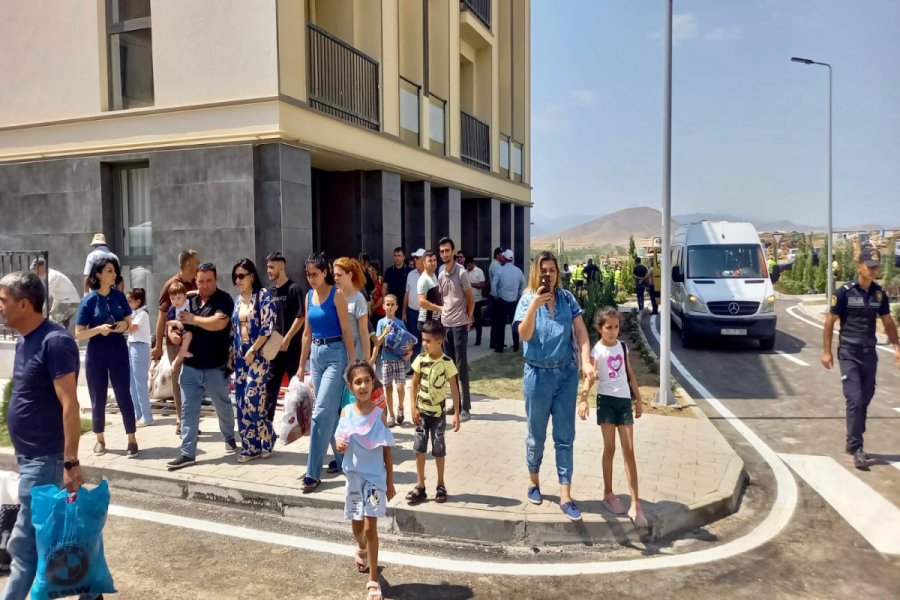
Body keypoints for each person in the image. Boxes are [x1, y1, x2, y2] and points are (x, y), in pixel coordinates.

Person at [0, 272, 98, 600]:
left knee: (24, 548)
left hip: (47, 459)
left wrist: (70, 461)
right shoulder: (23, 340)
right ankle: (91, 592)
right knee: (53, 537)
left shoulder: (54, 342)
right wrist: (21, 455)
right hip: (32, 458)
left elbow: (70, 404)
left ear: (24, 304)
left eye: (3, 300)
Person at [513, 250, 593, 522]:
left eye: (552, 270)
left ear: (558, 273)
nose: (548, 274)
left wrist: (585, 361)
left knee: (565, 436)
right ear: (537, 273)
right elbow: (524, 334)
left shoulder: (567, 298)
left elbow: (581, 332)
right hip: (537, 375)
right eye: (543, 270)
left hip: (565, 376)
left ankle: (565, 495)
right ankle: (533, 481)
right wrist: (535, 306)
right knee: (536, 435)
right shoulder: (527, 300)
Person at [822, 244, 900, 470]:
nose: (873, 270)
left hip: (869, 354)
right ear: (859, 266)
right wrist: (827, 351)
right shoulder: (844, 293)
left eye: (876, 267)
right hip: (849, 353)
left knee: (866, 397)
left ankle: (853, 436)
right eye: (870, 266)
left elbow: (887, 322)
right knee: (855, 399)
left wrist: (896, 346)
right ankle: (857, 447)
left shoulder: (879, 294)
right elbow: (829, 322)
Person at [578, 308, 648, 527]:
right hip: (606, 402)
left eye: (616, 327)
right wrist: (584, 398)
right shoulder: (597, 351)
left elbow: (630, 374)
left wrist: (638, 399)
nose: (613, 331)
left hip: (624, 402)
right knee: (610, 448)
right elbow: (589, 377)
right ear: (600, 328)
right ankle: (608, 493)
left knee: (629, 450)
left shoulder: (622, 347)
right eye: (608, 327)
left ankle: (635, 503)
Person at [166, 262, 237, 471]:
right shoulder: (188, 300)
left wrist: (194, 319)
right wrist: (173, 335)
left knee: (222, 405)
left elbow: (219, 323)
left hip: (215, 367)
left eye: (209, 281)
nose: (205, 285)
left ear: (216, 280)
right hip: (190, 366)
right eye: (201, 281)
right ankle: (187, 453)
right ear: (195, 281)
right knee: (188, 410)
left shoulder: (223, 299)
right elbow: (172, 321)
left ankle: (229, 436)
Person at [334, 361, 395, 600]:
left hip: (375, 481)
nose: (363, 386)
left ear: (373, 382)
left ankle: (373, 580)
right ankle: (361, 548)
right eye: (358, 382)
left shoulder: (379, 415)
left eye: (367, 381)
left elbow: (387, 450)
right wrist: (340, 445)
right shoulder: (346, 412)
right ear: (350, 387)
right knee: (357, 528)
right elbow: (340, 439)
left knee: (371, 527)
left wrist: (390, 482)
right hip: (354, 479)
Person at [297, 253, 357, 492]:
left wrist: (352, 362)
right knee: (329, 413)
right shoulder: (308, 296)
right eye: (308, 274)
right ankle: (343, 460)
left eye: (315, 274)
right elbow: (306, 333)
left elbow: (346, 330)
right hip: (316, 355)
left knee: (321, 413)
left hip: (335, 354)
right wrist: (301, 365)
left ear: (325, 273)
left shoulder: (337, 295)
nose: (311, 278)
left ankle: (312, 473)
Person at [74, 257, 138, 458]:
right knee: (97, 395)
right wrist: (98, 329)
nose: (114, 274)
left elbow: (130, 323)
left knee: (123, 393)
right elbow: (79, 334)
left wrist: (124, 325)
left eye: (115, 271)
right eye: (110, 271)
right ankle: (100, 439)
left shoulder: (119, 297)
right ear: (98, 274)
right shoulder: (88, 301)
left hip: (118, 349)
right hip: (97, 352)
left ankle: (132, 439)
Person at [406, 320, 461, 505]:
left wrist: (456, 413)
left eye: (428, 341)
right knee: (419, 449)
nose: (425, 344)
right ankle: (420, 485)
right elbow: (414, 384)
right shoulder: (420, 359)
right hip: (421, 414)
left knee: (439, 451)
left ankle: (440, 484)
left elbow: (454, 389)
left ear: (440, 341)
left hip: (438, 415)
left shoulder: (447, 363)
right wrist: (413, 407)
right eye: (423, 340)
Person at [231, 258, 276, 463]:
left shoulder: (263, 296)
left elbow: (267, 327)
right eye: (235, 277)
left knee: (252, 398)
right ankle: (250, 447)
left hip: (258, 356)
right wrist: (232, 354)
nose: (238, 280)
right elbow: (234, 330)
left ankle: (267, 435)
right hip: (240, 357)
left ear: (251, 276)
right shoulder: (237, 300)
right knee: (242, 402)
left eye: (241, 276)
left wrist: (253, 349)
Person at [152, 249, 200, 434]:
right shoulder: (171, 285)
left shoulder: (196, 282)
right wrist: (158, 345)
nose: (198, 267)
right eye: (196, 263)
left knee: (194, 380)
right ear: (188, 264)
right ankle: (181, 420)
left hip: (193, 340)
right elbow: (162, 317)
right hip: (175, 343)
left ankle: (192, 420)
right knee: (178, 380)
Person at [264, 252, 305, 425]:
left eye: (272, 267)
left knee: (295, 386)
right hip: (273, 346)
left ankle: (301, 422)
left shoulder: (294, 289)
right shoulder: (269, 292)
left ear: (281, 267)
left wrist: (287, 338)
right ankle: (266, 424)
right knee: (270, 386)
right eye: (267, 267)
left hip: (292, 346)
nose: (268, 270)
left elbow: (301, 316)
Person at [437, 237, 474, 421]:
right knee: (449, 368)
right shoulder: (441, 275)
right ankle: (456, 404)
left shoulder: (461, 273)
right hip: (446, 325)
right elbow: (443, 299)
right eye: (442, 251)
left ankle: (466, 407)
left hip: (459, 325)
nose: (445, 254)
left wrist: (468, 318)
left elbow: (471, 299)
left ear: (453, 251)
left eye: (447, 250)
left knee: (461, 366)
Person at [371, 295, 411, 427]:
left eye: (392, 304)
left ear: (396, 307)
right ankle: (391, 415)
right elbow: (377, 342)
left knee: (400, 387)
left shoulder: (400, 323)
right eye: (387, 304)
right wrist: (384, 333)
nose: (389, 307)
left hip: (399, 360)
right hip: (386, 360)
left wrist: (409, 352)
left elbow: (407, 341)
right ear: (383, 306)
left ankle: (400, 407)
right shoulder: (381, 323)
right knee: (388, 388)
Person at [334, 257, 371, 366]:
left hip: (356, 353)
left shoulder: (358, 298)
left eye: (339, 275)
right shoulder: (334, 296)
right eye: (334, 275)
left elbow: (364, 331)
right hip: (337, 351)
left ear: (349, 275)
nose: (336, 278)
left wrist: (367, 358)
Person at [126, 287, 154, 427]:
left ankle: (147, 416)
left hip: (140, 347)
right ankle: (138, 413)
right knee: (132, 382)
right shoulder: (134, 313)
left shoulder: (143, 314)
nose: (127, 304)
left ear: (138, 301)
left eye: (129, 301)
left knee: (140, 382)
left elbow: (131, 328)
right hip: (131, 345)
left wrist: (122, 323)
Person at [29, 257, 80, 330]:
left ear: (42, 266)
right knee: (60, 324)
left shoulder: (52, 276)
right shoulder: (48, 275)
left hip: (69, 302)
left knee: (51, 323)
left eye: (36, 269)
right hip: (67, 301)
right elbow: (56, 295)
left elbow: (46, 296)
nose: (35, 271)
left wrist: (38, 311)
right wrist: (53, 309)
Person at [490, 249, 525, 353]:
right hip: (514, 301)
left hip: (502, 301)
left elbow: (494, 284)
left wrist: (495, 295)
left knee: (501, 325)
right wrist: (519, 294)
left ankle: (500, 347)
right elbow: (523, 284)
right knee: (514, 324)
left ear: (505, 258)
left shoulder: (500, 270)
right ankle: (516, 346)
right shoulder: (518, 271)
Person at [402, 248, 426, 357]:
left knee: (426, 339)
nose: (415, 260)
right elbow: (407, 294)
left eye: (417, 258)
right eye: (414, 258)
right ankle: (414, 363)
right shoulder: (411, 274)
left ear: (424, 259)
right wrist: (404, 312)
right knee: (413, 340)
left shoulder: (430, 275)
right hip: (411, 312)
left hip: (425, 313)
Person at [464, 256, 488, 346]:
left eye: (469, 265)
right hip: (467, 301)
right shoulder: (465, 272)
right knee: (466, 321)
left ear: (473, 263)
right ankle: (464, 339)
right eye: (467, 266)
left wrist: (471, 284)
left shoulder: (479, 271)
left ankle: (478, 339)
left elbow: (483, 285)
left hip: (477, 301)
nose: (468, 267)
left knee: (478, 321)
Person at [417, 251, 442, 329]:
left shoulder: (433, 275)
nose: (433, 263)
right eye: (430, 261)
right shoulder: (423, 279)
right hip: (426, 322)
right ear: (424, 263)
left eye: (434, 260)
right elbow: (422, 302)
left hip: (435, 320)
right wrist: (440, 309)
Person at [383, 247, 409, 313]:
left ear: (404, 257)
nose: (397, 258)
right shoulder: (389, 271)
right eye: (395, 256)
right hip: (392, 306)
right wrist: (385, 303)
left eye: (399, 256)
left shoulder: (409, 271)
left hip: (405, 306)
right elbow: (384, 288)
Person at [368, 260, 385, 329]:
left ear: (376, 271)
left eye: (373, 269)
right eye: (370, 269)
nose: (371, 271)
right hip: (371, 312)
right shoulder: (368, 281)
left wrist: (374, 307)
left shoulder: (380, 280)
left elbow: (382, 296)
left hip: (380, 311)